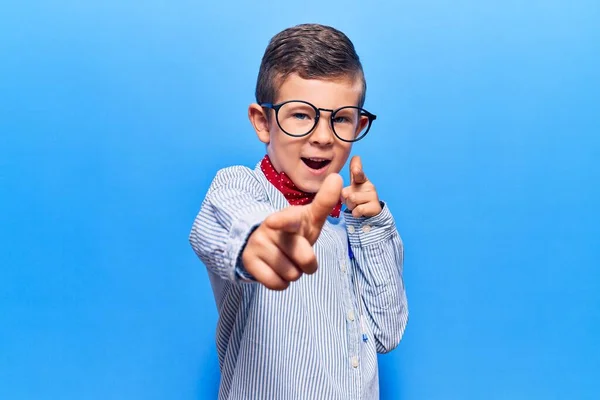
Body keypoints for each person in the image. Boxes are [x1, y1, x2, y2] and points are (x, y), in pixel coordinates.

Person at [189, 23, 408, 400]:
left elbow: (388, 333)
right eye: (302, 115)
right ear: (263, 122)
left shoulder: (352, 226)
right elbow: (225, 220)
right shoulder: (242, 188)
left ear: (359, 123)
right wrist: (260, 236)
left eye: (340, 118)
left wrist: (370, 226)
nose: (323, 136)